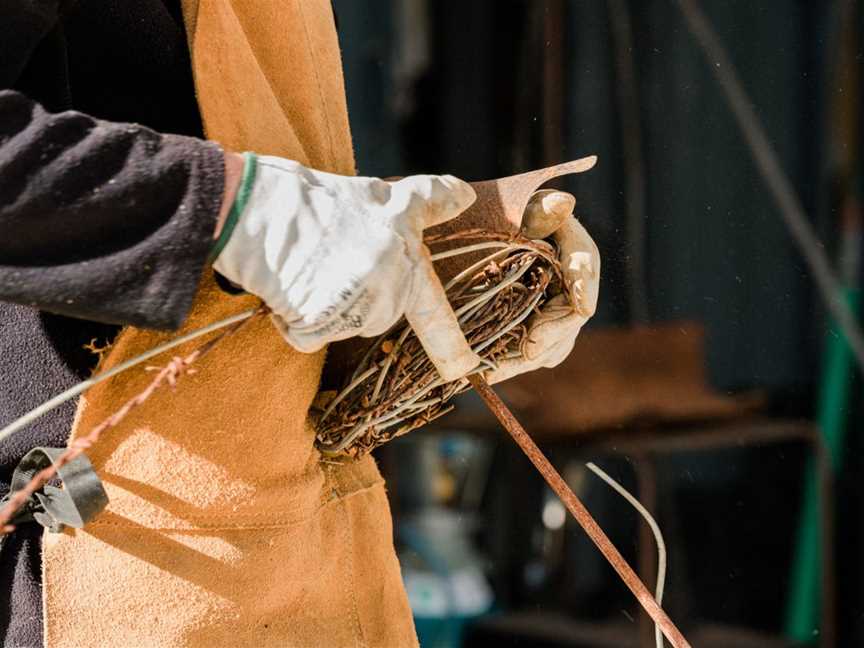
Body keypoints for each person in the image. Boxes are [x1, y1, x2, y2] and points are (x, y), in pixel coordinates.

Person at [0, 1, 600, 646]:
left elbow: (231, 147)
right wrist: (245, 215)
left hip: (306, 544)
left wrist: (457, 243)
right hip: (104, 570)